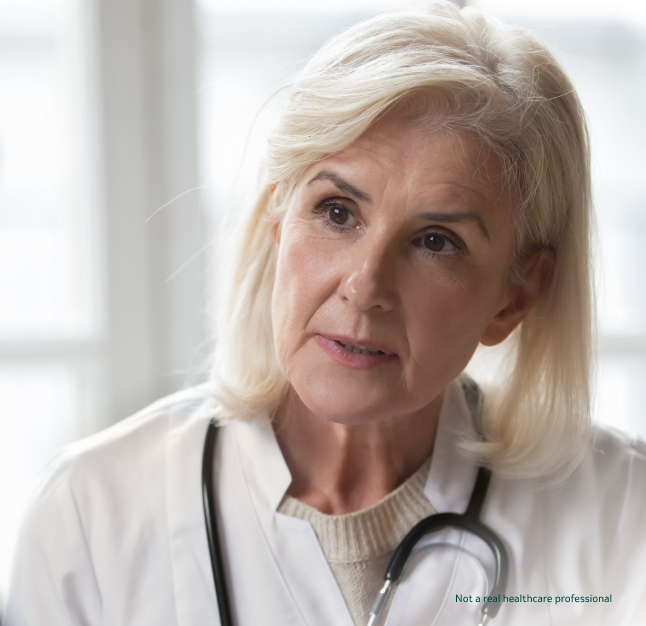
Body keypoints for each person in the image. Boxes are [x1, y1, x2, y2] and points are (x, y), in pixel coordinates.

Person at [5, 2, 646, 625]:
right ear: (277, 221)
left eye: (436, 241)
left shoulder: (622, 515)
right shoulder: (90, 514)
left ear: (515, 298)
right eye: (338, 211)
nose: (366, 287)